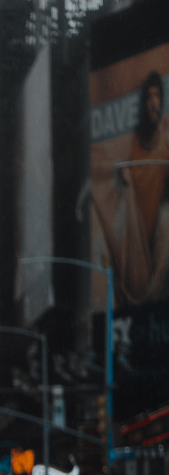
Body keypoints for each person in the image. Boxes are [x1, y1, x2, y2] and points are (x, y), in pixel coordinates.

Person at [93, 70, 169, 304]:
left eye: (157, 97)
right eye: (149, 97)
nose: (153, 104)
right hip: (134, 241)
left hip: (157, 245)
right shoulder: (131, 144)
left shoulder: (165, 144)